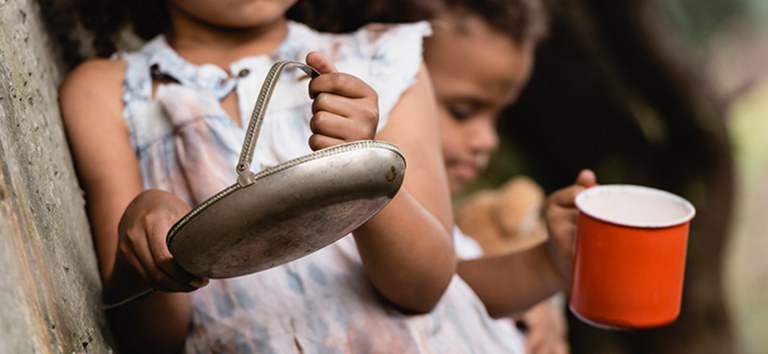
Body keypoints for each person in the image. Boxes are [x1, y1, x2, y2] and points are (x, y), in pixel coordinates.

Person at [57, 0, 559, 352]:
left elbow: (424, 285)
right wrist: (145, 230)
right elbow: (152, 337)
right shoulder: (107, 94)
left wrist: (361, 167)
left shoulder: (385, 60)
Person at [422, 1, 595, 353]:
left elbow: (454, 282)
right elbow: (428, 280)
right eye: (463, 111)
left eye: (496, 117)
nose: (488, 140)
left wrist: (548, 269)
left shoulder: (459, 240)